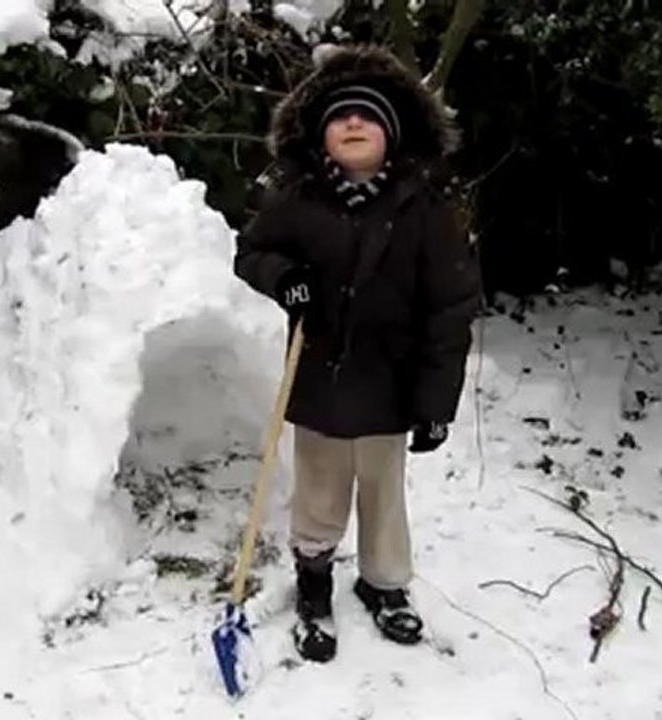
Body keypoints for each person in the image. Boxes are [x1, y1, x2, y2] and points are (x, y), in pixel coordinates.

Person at [232, 44, 482, 663]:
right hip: (317, 376)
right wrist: (285, 277)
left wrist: (435, 404)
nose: (352, 123)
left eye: (367, 116)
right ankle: (314, 581)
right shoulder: (298, 198)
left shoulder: (426, 206)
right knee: (319, 488)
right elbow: (252, 253)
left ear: (392, 134)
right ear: (319, 134)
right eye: (340, 116)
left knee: (383, 491)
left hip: (391, 383)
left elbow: (451, 306)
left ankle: (384, 583)